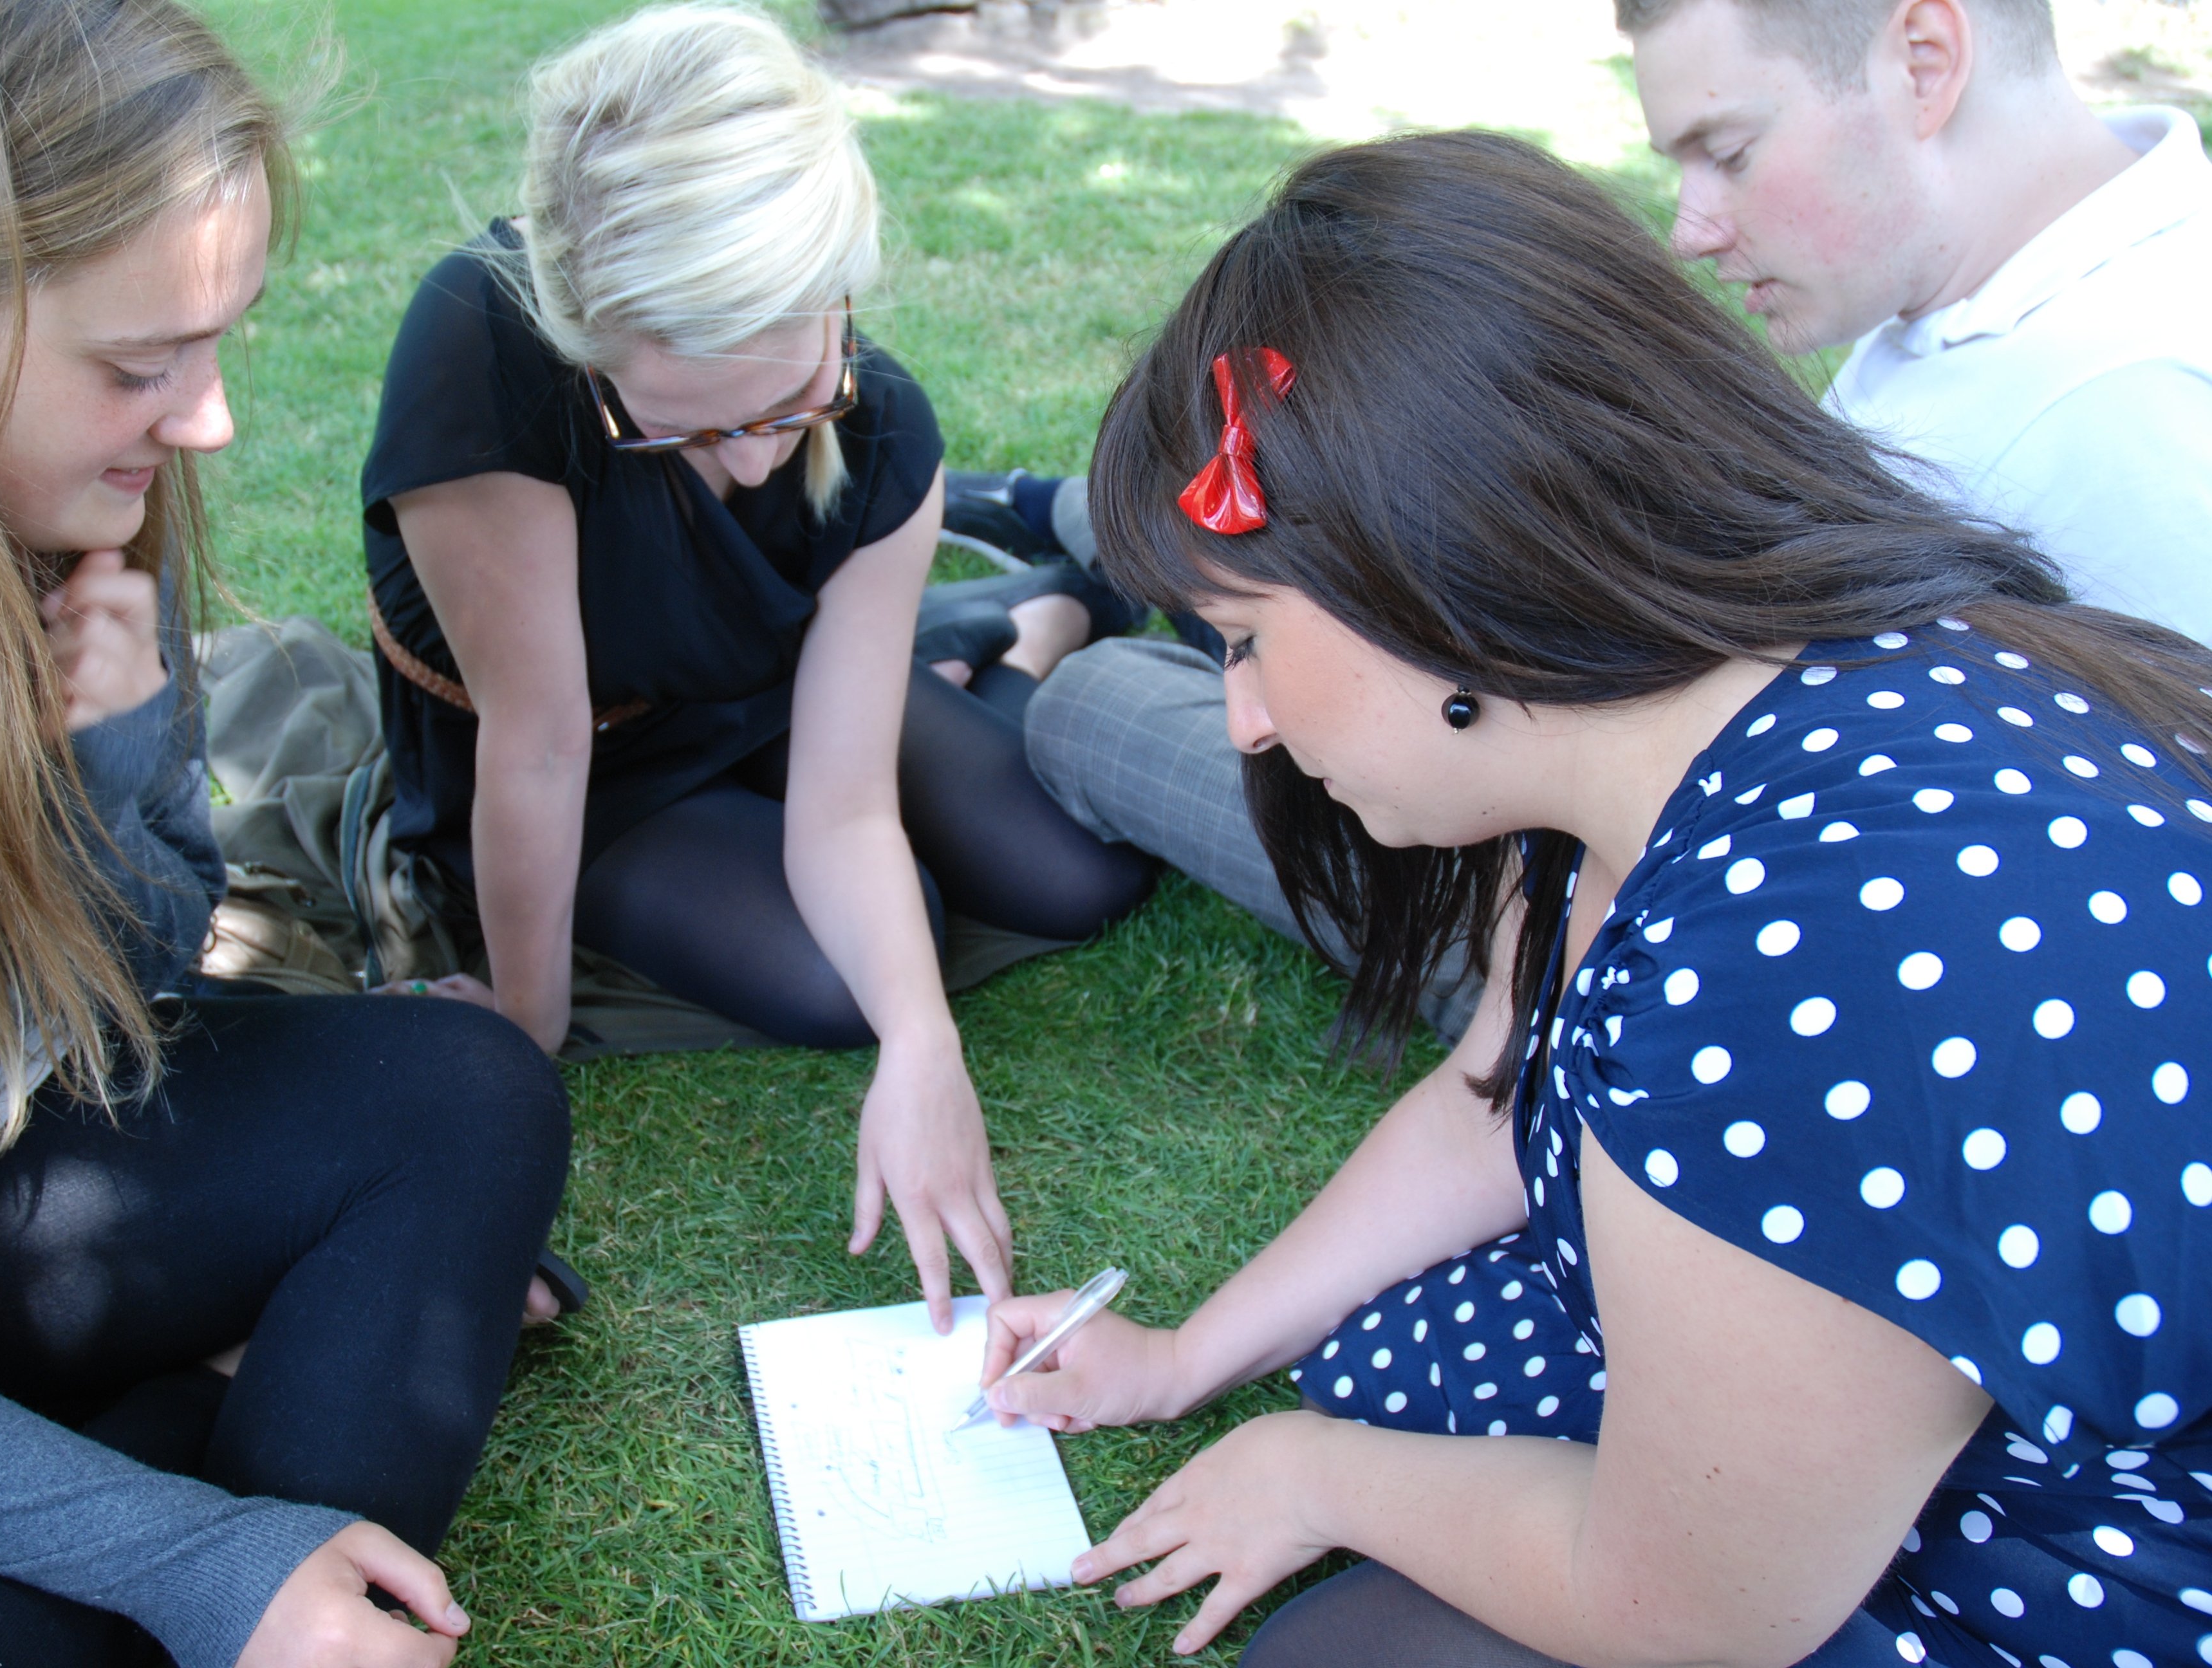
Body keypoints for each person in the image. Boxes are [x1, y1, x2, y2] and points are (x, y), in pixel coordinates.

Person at [976, 131, 2212, 1668]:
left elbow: (1683, 1616)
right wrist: (1182, 1356)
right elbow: (1497, 1092)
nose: (1247, 723)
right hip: (1898, 1416)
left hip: (2090, 1567)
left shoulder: (1807, 961)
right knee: (1387, 1385)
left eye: (1243, 639)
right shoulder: (1661, 723)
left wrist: (1318, 1474)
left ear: (1429, 573)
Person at [0, 2, 569, 1663]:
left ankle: (127, 1503)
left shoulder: (69, 517)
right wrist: (183, 1552)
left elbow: (107, 986)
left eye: (220, 341)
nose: (209, 423)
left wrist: (93, 776)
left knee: (461, 1091)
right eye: (140, 363)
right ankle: (139, 1467)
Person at [358, 3, 1153, 1329]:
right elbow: (540, 741)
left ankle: (1027, 617)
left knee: (1074, 877)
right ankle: (992, 631)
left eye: (789, 404)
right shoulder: (484, 351)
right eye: (677, 424)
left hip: (760, 680)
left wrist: (929, 1045)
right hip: (597, 745)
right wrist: (523, 1023)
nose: (748, 460)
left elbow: (842, 810)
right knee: (830, 980)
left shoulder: (883, 427)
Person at [1626, 0, 2212, 642]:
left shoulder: (2139, 410)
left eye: (1728, 153)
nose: (1689, 234)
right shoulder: (1938, 279)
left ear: (1923, 63)